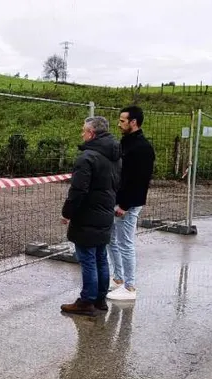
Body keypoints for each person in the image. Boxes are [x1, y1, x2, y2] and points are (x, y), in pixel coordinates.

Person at [60, 116, 121, 316]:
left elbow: (78, 190)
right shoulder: (115, 156)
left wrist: (67, 213)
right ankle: (100, 299)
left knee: (87, 259)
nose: (82, 134)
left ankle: (87, 301)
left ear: (92, 133)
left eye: (83, 131)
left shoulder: (86, 158)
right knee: (101, 257)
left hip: (87, 216)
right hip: (105, 214)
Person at [107, 106, 155, 301]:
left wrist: (124, 206)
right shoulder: (126, 143)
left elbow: (139, 181)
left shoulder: (142, 148)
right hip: (118, 200)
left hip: (128, 204)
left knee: (125, 243)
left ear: (133, 122)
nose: (119, 124)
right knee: (111, 239)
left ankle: (130, 286)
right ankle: (118, 278)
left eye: (122, 121)